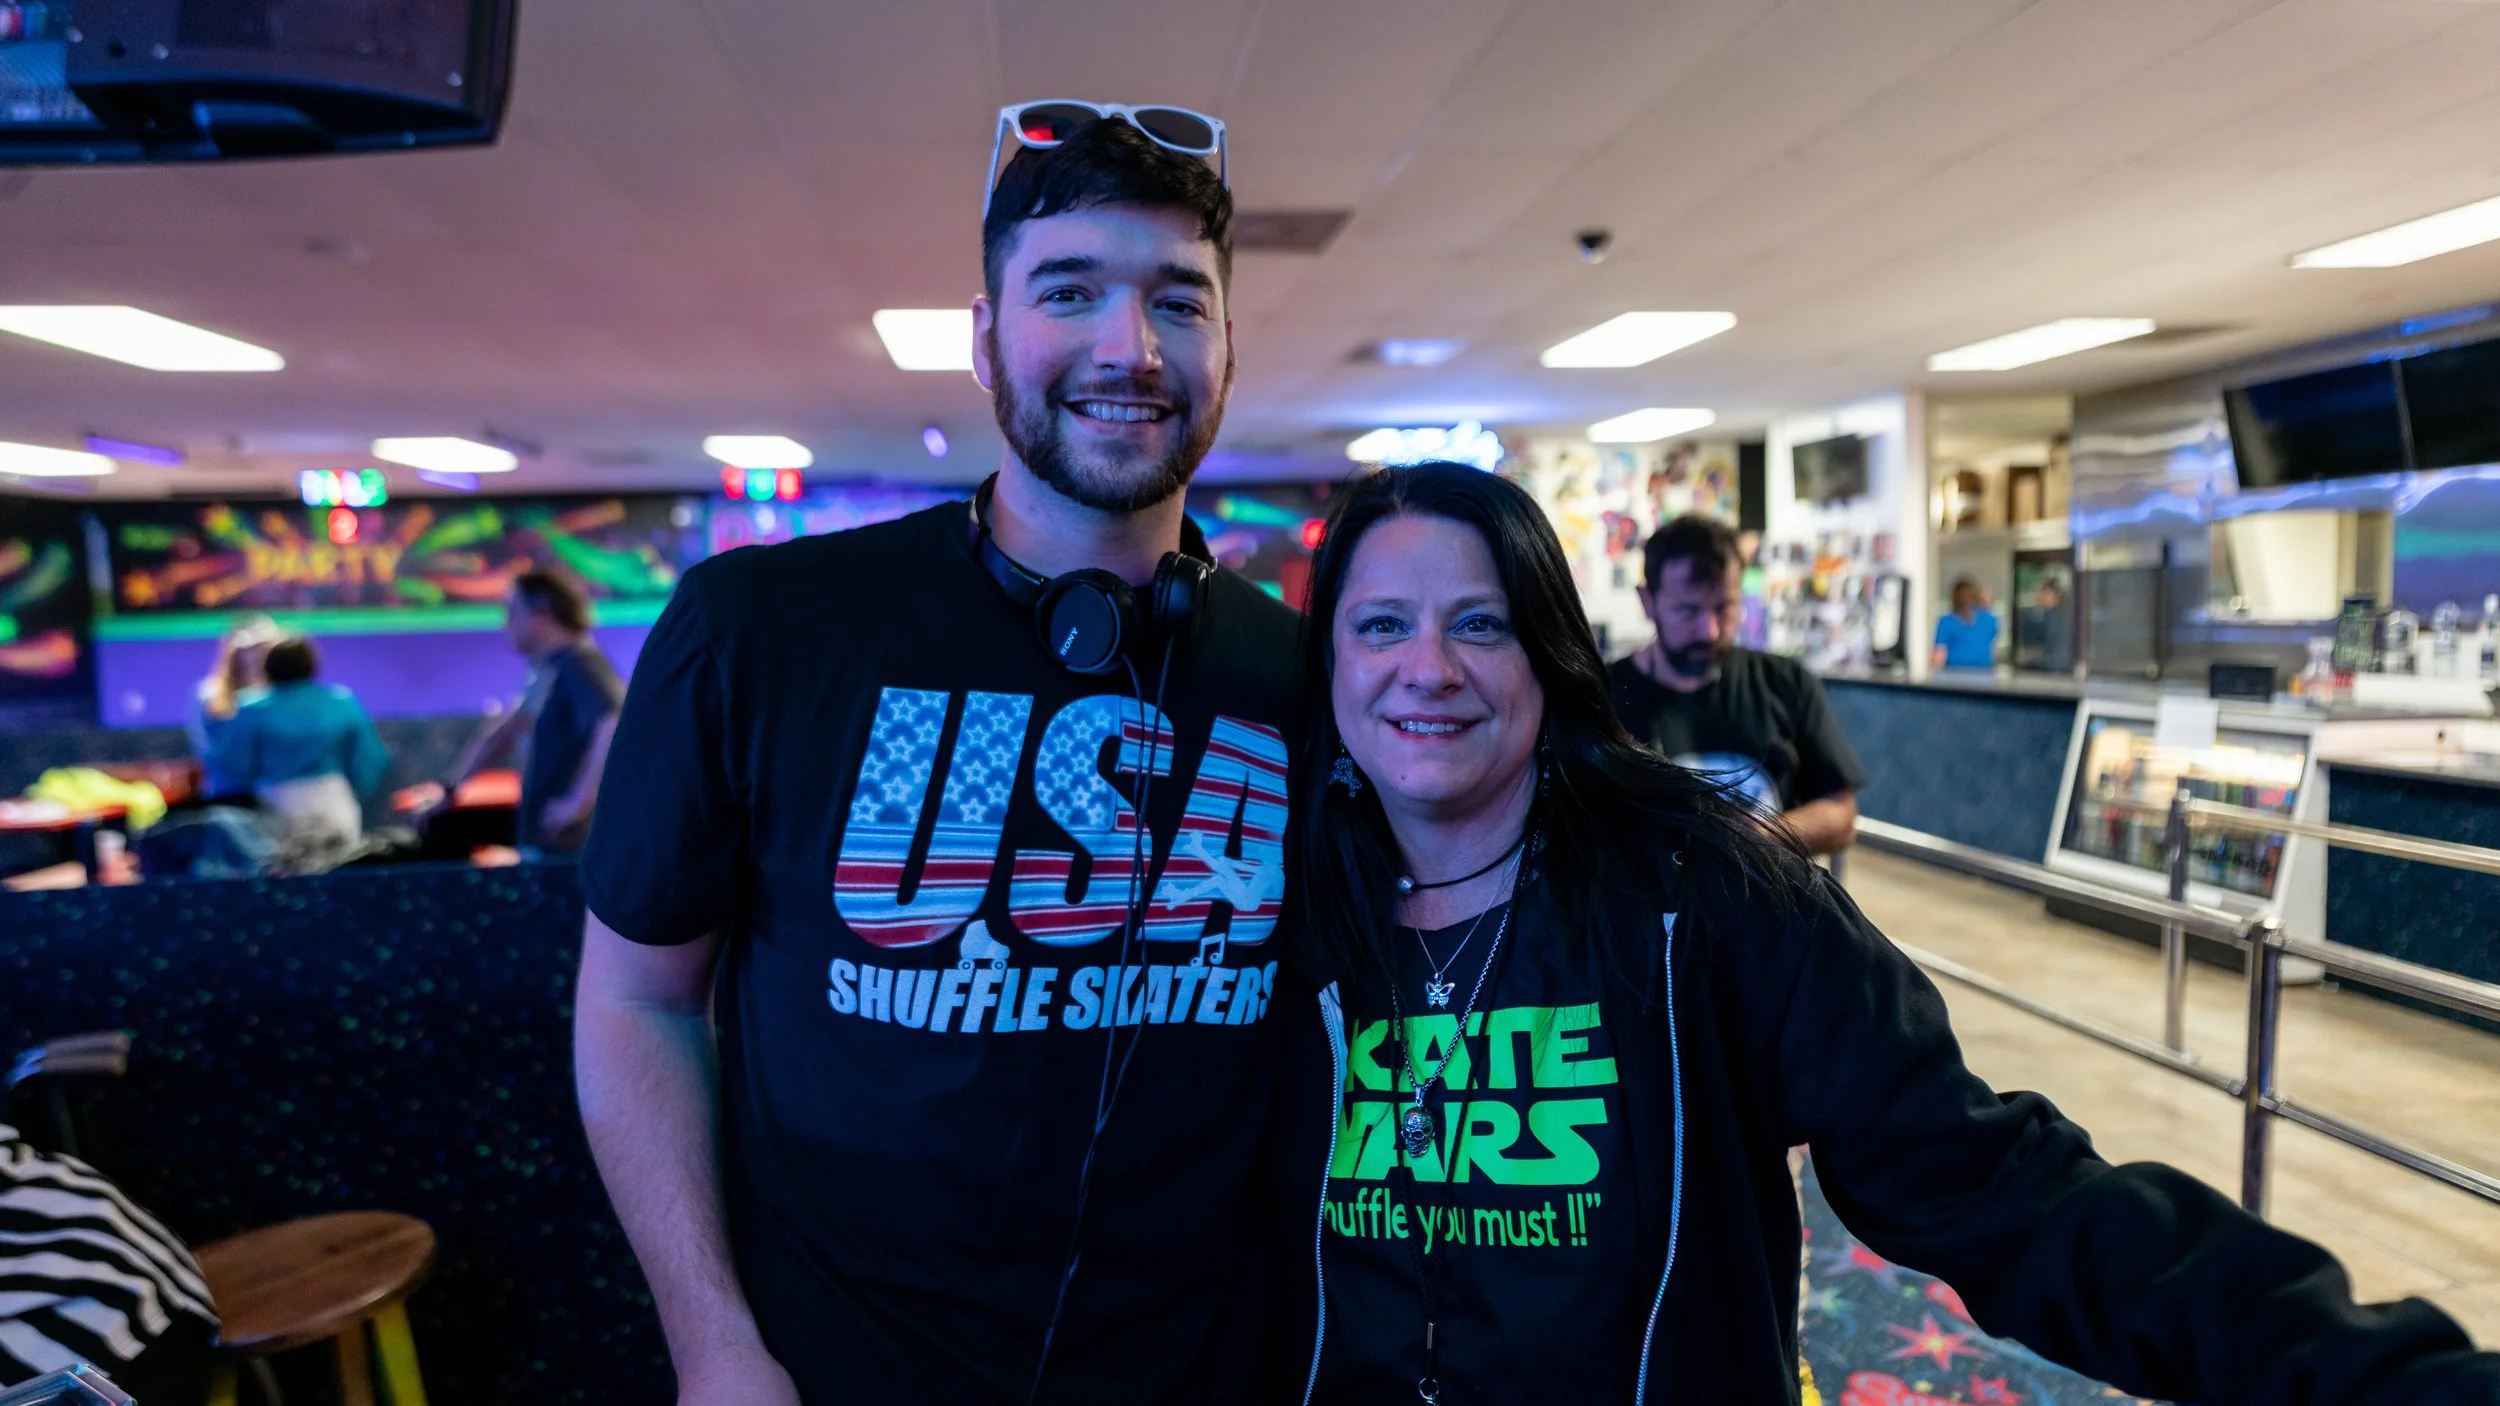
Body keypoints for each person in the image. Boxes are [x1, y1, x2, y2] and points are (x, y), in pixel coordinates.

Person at [1267, 462, 2499, 1403]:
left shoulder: (1702, 900)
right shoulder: (1279, 926)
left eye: (1477, 624)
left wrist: (2368, 1370)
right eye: (1379, 626)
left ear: (1549, 653)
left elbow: (1999, 1189)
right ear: (1326, 662)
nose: (1424, 667)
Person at [575, 109, 1299, 1405]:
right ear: (983, 337)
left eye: (1178, 302)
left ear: (1230, 347)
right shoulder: (760, 629)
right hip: (835, 1372)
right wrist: (714, 1345)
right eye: (1068, 291)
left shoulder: (1303, 680)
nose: (1128, 348)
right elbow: (636, 1001)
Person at [1611, 515, 1865, 854]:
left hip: (1765, 902)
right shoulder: (1602, 695)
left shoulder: (1785, 682)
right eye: (1687, 611)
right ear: (1647, 602)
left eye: (1724, 608)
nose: (1709, 631)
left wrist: (1758, 835)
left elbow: (1841, 816)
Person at [436, 571, 623, 854]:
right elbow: (507, 731)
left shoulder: (580, 662)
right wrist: (450, 791)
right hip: (550, 838)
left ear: (543, 612)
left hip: (572, 848)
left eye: (513, 611)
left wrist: (578, 801)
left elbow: (612, 721)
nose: (506, 623)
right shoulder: (550, 668)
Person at [205, 635, 390, 846]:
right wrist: (359, 788)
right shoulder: (341, 702)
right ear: (312, 664)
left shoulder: (250, 709)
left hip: (273, 802)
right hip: (331, 800)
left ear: (268, 666)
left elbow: (234, 764)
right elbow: (370, 757)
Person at [188, 614, 282, 803]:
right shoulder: (210, 695)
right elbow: (209, 752)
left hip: (275, 796)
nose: (256, 655)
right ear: (234, 651)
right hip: (228, 796)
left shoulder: (283, 693)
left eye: (263, 648)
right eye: (249, 649)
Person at [1933, 575, 1999, 670]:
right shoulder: (1990, 620)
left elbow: (1939, 655)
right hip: (1984, 675)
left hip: (1955, 675)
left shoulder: (1946, 622)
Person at [2021, 576, 2075, 673]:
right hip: (2040, 668)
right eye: (2040, 593)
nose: (2041, 596)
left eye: (2045, 593)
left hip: (2055, 668)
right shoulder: (2035, 616)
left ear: (2056, 595)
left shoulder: (2062, 618)